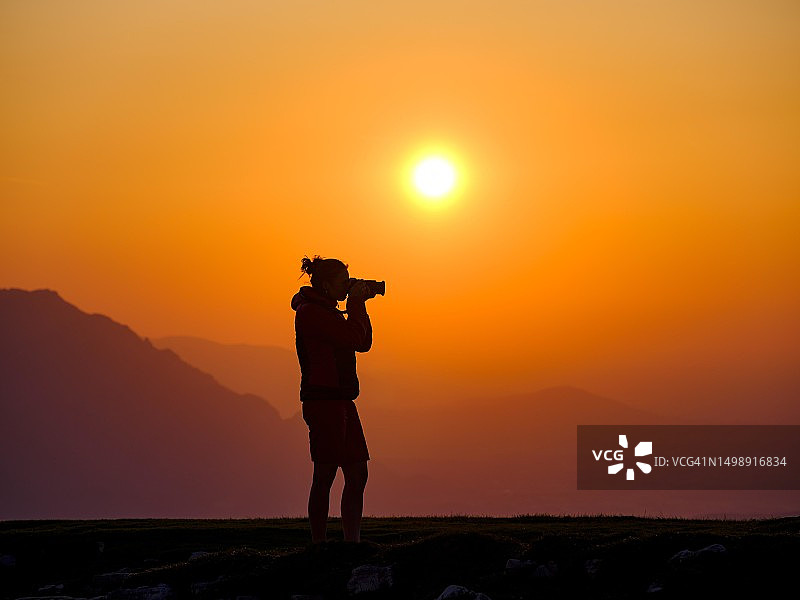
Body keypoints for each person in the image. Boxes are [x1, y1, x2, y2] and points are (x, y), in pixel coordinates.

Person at [291, 255, 376, 543]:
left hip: (341, 399)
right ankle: (319, 545)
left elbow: (362, 342)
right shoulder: (311, 313)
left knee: (357, 473)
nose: (347, 286)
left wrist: (358, 305)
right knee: (325, 474)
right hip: (323, 400)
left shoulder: (328, 310)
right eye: (343, 282)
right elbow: (354, 339)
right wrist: (355, 304)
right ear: (326, 285)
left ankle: (352, 542)